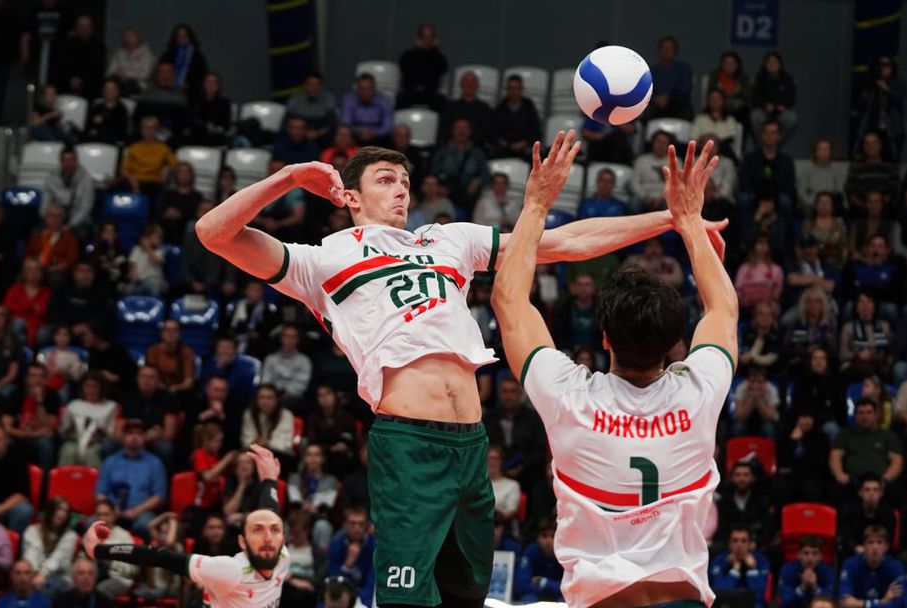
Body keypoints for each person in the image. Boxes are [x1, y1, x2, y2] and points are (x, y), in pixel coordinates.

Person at [194, 133, 727, 608]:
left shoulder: (447, 239)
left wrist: (674, 220)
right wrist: (288, 177)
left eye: (405, 182)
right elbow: (213, 233)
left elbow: (565, 243)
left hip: (471, 441)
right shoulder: (320, 260)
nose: (401, 190)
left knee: (468, 594)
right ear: (350, 197)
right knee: (406, 597)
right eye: (386, 180)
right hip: (409, 441)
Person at [491, 126, 735, 608]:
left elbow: (508, 299)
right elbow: (723, 309)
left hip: (602, 600)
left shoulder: (569, 396)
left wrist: (536, 204)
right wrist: (690, 222)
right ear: (675, 346)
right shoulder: (701, 390)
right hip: (682, 600)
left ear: (603, 339)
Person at [86, 445, 288, 607]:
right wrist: (99, 550)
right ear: (242, 542)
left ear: (282, 539)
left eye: (275, 531)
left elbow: (269, 513)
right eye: (257, 531)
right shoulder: (230, 571)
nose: (268, 537)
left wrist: (270, 480)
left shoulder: (282, 557)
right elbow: (158, 557)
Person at [95, 419, 167, 538]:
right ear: (123, 437)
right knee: (90, 524)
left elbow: (159, 496)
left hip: (141, 512)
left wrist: (136, 510)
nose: (134, 437)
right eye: (130, 433)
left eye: (139, 433)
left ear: (144, 437)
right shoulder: (110, 461)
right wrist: (110, 510)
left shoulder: (155, 463)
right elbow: (100, 493)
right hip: (112, 511)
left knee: (145, 525)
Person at [829, 398, 903, 506]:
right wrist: (839, 475)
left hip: (880, 480)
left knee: (896, 491)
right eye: (861, 413)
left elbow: (897, 461)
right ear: (855, 416)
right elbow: (835, 456)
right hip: (853, 481)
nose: (865, 416)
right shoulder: (845, 434)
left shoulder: (888, 436)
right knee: (838, 491)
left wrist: (886, 479)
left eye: (869, 412)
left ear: (876, 415)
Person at [2, 363, 59, 473]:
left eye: (41, 376)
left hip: (41, 436)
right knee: (7, 443)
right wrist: (33, 434)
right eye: (33, 376)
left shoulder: (52, 396)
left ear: (46, 379)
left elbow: (48, 426)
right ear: (26, 379)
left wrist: (39, 401)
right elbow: (7, 428)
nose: (38, 380)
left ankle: (44, 482)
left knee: (46, 445)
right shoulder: (16, 394)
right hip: (18, 434)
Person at [773, 408, 831, 506]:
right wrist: (793, 442)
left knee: (811, 488)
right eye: (803, 417)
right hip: (791, 477)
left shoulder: (821, 438)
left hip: (812, 477)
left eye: (810, 417)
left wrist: (793, 470)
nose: (807, 421)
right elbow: (782, 463)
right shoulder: (785, 437)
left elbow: (818, 463)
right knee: (780, 486)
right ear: (796, 419)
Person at [430, 118, 489, 212]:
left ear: (470, 132)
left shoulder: (477, 153)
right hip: (447, 194)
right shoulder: (443, 152)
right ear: (452, 131)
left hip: (468, 196)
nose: (461, 131)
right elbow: (433, 172)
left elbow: (485, 174)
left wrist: (477, 182)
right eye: (458, 128)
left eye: (465, 128)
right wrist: (439, 186)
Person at [58, 373, 117, 466]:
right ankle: (64, 475)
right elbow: (62, 430)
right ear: (82, 388)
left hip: (99, 442)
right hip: (75, 440)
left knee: (92, 454)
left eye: (95, 386)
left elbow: (113, 433)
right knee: (68, 451)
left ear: (101, 388)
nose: (91, 390)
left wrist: (102, 430)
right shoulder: (73, 405)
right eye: (87, 386)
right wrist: (69, 429)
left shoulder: (111, 406)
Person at [287, 443, 338, 550]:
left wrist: (311, 507)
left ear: (322, 459)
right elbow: (294, 501)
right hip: (297, 517)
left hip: (318, 518)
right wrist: (306, 507)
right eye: (309, 455)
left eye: (317, 455)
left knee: (323, 526)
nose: (313, 459)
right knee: (283, 525)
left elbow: (326, 505)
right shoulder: (294, 478)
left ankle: (322, 559)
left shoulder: (331, 481)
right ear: (304, 458)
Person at [22, 497, 77, 595]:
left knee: (44, 588)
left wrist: (43, 574)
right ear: (50, 511)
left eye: (66, 511)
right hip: (33, 574)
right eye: (59, 509)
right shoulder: (32, 530)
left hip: (60, 577)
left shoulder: (70, 535)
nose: (63, 514)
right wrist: (34, 575)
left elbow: (58, 558)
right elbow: (31, 554)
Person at [837, 526, 905, 607]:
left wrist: (860, 604)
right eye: (870, 542)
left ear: (886, 547)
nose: (875, 547)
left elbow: (899, 603)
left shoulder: (896, 567)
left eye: (879, 542)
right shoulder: (850, 565)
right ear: (864, 546)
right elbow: (845, 602)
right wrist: (882, 602)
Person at [715, 462, 776, 551]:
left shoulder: (762, 501)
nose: (742, 479)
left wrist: (756, 543)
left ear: (752, 478)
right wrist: (731, 544)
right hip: (730, 546)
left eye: (746, 475)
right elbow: (721, 529)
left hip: (756, 545)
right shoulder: (724, 502)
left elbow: (769, 528)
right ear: (732, 478)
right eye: (738, 475)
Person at [854, 56, 906, 161]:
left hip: (892, 129)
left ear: (892, 67)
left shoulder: (898, 83)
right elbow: (862, 105)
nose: (882, 68)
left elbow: (900, 99)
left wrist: (887, 89)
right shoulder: (870, 84)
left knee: (891, 159)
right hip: (874, 128)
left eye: (886, 65)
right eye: (880, 65)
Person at [738, 120, 797, 212]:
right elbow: (744, 181)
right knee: (743, 199)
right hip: (754, 196)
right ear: (762, 135)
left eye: (773, 133)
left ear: (779, 136)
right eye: (766, 132)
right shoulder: (750, 158)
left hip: (777, 197)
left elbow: (789, 185)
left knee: (786, 202)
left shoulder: (786, 161)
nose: (769, 136)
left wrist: (775, 197)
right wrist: (755, 195)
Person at [709, 525, 771, 608]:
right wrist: (735, 570)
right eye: (735, 541)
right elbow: (720, 593)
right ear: (729, 544)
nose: (739, 545)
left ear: (750, 544)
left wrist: (752, 568)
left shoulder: (761, 561)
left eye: (743, 541)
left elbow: (759, 595)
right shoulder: (719, 561)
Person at [838, 473, 897, 558]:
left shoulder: (888, 514)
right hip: (853, 553)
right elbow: (846, 537)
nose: (871, 493)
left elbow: (888, 539)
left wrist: (874, 549)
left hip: (880, 554)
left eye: (875, 490)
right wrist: (856, 548)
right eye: (867, 490)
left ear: (881, 493)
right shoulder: (848, 511)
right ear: (860, 493)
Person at [118, 116, 177, 199]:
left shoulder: (163, 148)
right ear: (141, 130)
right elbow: (124, 169)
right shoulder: (134, 147)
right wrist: (132, 179)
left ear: (156, 130)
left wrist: (168, 168)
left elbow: (175, 165)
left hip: (154, 182)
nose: (149, 131)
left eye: (152, 128)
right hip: (134, 180)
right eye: (146, 128)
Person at [327, 507, 375, 608]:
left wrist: (357, 601)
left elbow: (371, 582)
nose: (357, 528)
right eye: (352, 523)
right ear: (345, 525)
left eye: (361, 524)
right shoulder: (336, 543)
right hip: (340, 596)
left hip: (364, 598)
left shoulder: (374, 546)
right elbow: (332, 580)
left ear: (367, 525)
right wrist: (347, 565)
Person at [23, 205, 80, 289]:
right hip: (36, 267)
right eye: (51, 215)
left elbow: (72, 259)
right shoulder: (37, 236)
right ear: (45, 218)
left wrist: (58, 266)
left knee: (55, 277)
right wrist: (31, 265)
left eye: (58, 216)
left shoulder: (69, 238)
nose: (55, 219)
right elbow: (27, 254)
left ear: (63, 219)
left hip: (56, 269)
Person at [42, 147, 95, 236]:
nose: (68, 164)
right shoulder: (52, 177)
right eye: (65, 160)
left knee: (80, 234)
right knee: (36, 232)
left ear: (76, 161)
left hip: (77, 219)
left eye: (71, 160)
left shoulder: (86, 179)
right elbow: (45, 202)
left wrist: (70, 225)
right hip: (55, 217)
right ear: (61, 161)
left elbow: (85, 207)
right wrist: (49, 220)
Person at [845, 131, 900, 213]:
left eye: (874, 143)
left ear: (880, 145)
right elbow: (850, 190)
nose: (870, 146)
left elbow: (894, 190)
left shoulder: (890, 167)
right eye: (867, 143)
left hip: (885, 211)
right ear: (864, 146)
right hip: (861, 210)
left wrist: (877, 205)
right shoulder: (856, 167)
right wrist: (864, 205)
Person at [396, 23, 447, 112]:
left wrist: (436, 50)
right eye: (424, 37)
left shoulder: (439, 58)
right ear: (418, 39)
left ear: (434, 39)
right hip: (411, 92)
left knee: (442, 102)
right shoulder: (407, 56)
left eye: (430, 37)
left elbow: (442, 69)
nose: (427, 40)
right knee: (400, 99)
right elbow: (403, 72)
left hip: (430, 94)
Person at [90, 500, 136, 598]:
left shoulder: (123, 536)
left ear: (114, 515)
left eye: (106, 515)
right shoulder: (90, 535)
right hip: (94, 576)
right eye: (99, 515)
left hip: (119, 578)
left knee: (101, 589)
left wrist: (109, 560)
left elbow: (131, 569)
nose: (102, 518)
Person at [51, 15, 105, 100]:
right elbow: (60, 65)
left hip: (90, 89)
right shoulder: (65, 45)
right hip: (65, 86)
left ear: (92, 28)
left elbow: (98, 68)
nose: (84, 29)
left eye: (87, 26)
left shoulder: (99, 46)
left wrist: (82, 80)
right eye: (81, 26)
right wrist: (70, 79)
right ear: (76, 27)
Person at [0, 421, 34, 533]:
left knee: (24, 510)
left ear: (6, 440)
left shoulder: (17, 458)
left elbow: (22, 495)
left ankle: (12, 541)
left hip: (9, 505)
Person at [261, 324, 313, 410]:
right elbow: (265, 381)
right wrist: (273, 395)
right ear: (281, 338)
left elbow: (301, 385)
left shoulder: (304, 361)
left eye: (293, 337)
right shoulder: (270, 359)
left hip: (293, 399)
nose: (289, 340)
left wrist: (285, 395)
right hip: (271, 396)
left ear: (298, 339)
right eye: (286, 336)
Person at [240, 384, 295, 465]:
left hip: (279, 456)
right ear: (256, 400)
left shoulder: (286, 415)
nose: (265, 401)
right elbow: (246, 441)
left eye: (270, 398)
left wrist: (266, 443)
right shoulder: (249, 414)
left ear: (276, 400)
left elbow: (285, 445)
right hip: (254, 454)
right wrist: (256, 443)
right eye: (262, 397)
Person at [750, 51, 797, 144]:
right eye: (769, 62)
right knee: (754, 116)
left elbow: (791, 97)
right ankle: (762, 145)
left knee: (791, 118)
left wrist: (784, 105)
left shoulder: (787, 79)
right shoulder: (760, 79)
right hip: (764, 112)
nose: (772, 64)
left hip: (780, 113)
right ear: (765, 64)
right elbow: (755, 97)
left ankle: (774, 144)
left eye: (775, 62)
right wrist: (764, 106)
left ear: (780, 64)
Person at [492, 74, 542, 159]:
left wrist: (524, 143)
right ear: (506, 89)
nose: (513, 91)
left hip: (524, 149)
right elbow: (493, 132)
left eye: (516, 88)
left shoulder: (529, 108)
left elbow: (536, 131)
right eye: (511, 88)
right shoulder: (500, 108)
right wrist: (502, 142)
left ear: (521, 89)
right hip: (503, 149)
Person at [514, 518, 564, 602]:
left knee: (565, 601)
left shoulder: (566, 553)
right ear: (537, 538)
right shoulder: (531, 551)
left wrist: (543, 582)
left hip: (558, 598)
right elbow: (521, 586)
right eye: (544, 536)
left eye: (553, 536)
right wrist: (553, 587)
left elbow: (570, 588)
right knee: (528, 599)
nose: (548, 541)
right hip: (536, 596)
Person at [5, 258, 52, 346]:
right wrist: (32, 307)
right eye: (29, 269)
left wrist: (25, 307)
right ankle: (22, 350)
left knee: (44, 333)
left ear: (41, 272)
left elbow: (45, 312)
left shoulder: (47, 292)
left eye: (36, 269)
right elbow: (11, 307)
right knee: (17, 323)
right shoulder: (14, 289)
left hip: (39, 326)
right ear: (23, 272)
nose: (33, 272)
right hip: (19, 325)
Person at [440, 71, 494, 147]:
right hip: (452, 147)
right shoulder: (450, 107)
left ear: (477, 86)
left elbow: (487, 131)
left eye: (472, 83)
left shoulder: (485, 109)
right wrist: (452, 141)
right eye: (466, 83)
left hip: (476, 147)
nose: (469, 85)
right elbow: (444, 128)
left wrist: (471, 143)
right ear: (461, 85)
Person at [145, 320, 196, 401]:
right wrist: (163, 388)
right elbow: (151, 375)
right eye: (167, 330)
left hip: (179, 392)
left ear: (179, 334)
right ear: (161, 333)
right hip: (157, 390)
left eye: (174, 330)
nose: (170, 333)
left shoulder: (186, 352)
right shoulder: (153, 351)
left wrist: (175, 388)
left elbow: (188, 381)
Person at [778, 536, 835, 608]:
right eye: (806, 553)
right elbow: (785, 602)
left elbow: (829, 602)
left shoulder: (828, 571)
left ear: (820, 556)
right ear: (799, 554)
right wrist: (802, 588)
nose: (810, 557)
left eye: (814, 553)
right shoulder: (787, 569)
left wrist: (815, 588)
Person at [286, 71, 338, 148]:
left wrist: (318, 133)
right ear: (304, 85)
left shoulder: (328, 99)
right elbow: (289, 122)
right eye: (310, 84)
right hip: (299, 132)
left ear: (321, 86)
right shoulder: (295, 100)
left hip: (321, 135)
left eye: (316, 84)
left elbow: (331, 124)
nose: (312, 88)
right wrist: (304, 133)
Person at [647, 35, 694, 120]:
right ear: (659, 50)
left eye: (670, 48)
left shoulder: (684, 68)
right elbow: (646, 91)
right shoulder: (651, 71)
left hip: (678, 107)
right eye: (663, 48)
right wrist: (655, 99)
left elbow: (685, 89)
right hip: (656, 107)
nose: (666, 51)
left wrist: (669, 98)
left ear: (676, 51)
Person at [801, 192, 849, 272]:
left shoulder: (839, 225)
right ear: (815, 206)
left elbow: (844, 247)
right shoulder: (808, 224)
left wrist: (840, 266)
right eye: (821, 202)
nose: (824, 205)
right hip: (811, 266)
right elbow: (803, 246)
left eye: (827, 202)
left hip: (835, 266)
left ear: (832, 206)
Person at [157, 161, 203, 245]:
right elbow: (160, 212)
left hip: (185, 230)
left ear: (192, 175)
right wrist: (168, 213)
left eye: (187, 172)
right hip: (167, 228)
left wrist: (180, 214)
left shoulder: (197, 196)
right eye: (181, 172)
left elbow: (196, 215)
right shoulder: (167, 194)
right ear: (176, 175)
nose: (184, 175)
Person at [341, 74, 393, 146]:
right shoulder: (349, 99)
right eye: (361, 88)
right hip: (355, 136)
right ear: (357, 89)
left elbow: (388, 127)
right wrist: (359, 131)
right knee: (343, 133)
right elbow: (346, 123)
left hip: (378, 137)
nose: (365, 92)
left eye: (368, 88)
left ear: (374, 88)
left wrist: (374, 132)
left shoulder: (384, 101)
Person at [158, 24, 208, 99]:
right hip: (167, 92)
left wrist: (189, 86)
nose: (182, 38)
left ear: (190, 37)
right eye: (179, 35)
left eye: (184, 35)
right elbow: (158, 73)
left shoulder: (198, 57)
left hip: (192, 94)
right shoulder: (168, 55)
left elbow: (202, 78)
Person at [797, 139, 846, 215]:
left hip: (832, 208)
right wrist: (816, 205)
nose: (824, 152)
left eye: (827, 149)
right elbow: (801, 194)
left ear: (831, 152)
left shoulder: (836, 172)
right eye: (820, 149)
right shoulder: (806, 172)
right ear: (815, 152)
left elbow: (840, 192)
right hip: (812, 207)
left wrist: (829, 205)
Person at [704, 51, 752, 125]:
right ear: (722, 64)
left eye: (732, 63)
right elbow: (711, 92)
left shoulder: (743, 76)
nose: (729, 66)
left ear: (737, 64)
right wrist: (723, 95)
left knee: (745, 113)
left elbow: (747, 95)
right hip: (719, 104)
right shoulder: (715, 75)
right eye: (726, 63)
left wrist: (734, 95)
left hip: (738, 107)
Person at [691, 89, 740, 161]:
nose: (715, 101)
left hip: (722, 151)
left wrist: (711, 140)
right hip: (702, 149)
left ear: (723, 101)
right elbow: (694, 139)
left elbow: (729, 139)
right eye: (712, 99)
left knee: (725, 147)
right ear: (708, 101)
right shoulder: (700, 119)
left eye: (718, 98)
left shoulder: (730, 120)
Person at [631, 130, 673, 213]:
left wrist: (661, 198)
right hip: (644, 196)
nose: (660, 145)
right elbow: (634, 183)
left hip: (664, 197)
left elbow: (675, 185)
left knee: (670, 204)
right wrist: (645, 197)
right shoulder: (641, 160)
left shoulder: (675, 161)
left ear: (669, 145)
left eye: (664, 142)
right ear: (653, 143)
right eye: (658, 141)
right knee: (634, 202)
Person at [106, 26, 155, 94]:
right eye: (125, 35)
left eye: (131, 35)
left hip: (138, 85)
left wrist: (125, 74)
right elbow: (110, 72)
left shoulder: (147, 53)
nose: (128, 38)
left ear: (139, 37)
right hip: (118, 82)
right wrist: (118, 75)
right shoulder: (118, 52)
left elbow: (145, 74)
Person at [186, 72, 231, 147]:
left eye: (213, 83)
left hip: (216, 135)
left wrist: (214, 128)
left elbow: (226, 125)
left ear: (218, 86)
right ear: (204, 85)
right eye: (208, 82)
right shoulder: (196, 102)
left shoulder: (224, 103)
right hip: (198, 133)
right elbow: (192, 119)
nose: (210, 85)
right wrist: (204, 126)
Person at [83, 77, 129, 145]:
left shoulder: (122, 110)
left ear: (118, 91)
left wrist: (104, 121)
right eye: (107, 89)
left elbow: (120, 132)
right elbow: (88, 127)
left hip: (111, 144)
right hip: (93, 143)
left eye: (113, 89)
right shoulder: (97, 108)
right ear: (103, 91)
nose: (110, 92)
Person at [122, 223, 166, 296]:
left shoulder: (160, 251)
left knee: (153, 283)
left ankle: (154, 301)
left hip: (155, 281)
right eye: (157, 237)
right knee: (127, 288)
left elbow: (155, 261)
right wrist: (134, 277)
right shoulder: (136, 250)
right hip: (139, 282)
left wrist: (148, 248)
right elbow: (132, 267)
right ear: (147, 237)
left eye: (161, 237)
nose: (160, 240)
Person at [488, 445, 520, 524]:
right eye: (489, 458)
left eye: (496, 459)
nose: (492, 462)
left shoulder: (512, 485)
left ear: (502, 462)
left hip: (501, 525)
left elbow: (510, 512)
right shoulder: (477, 484)